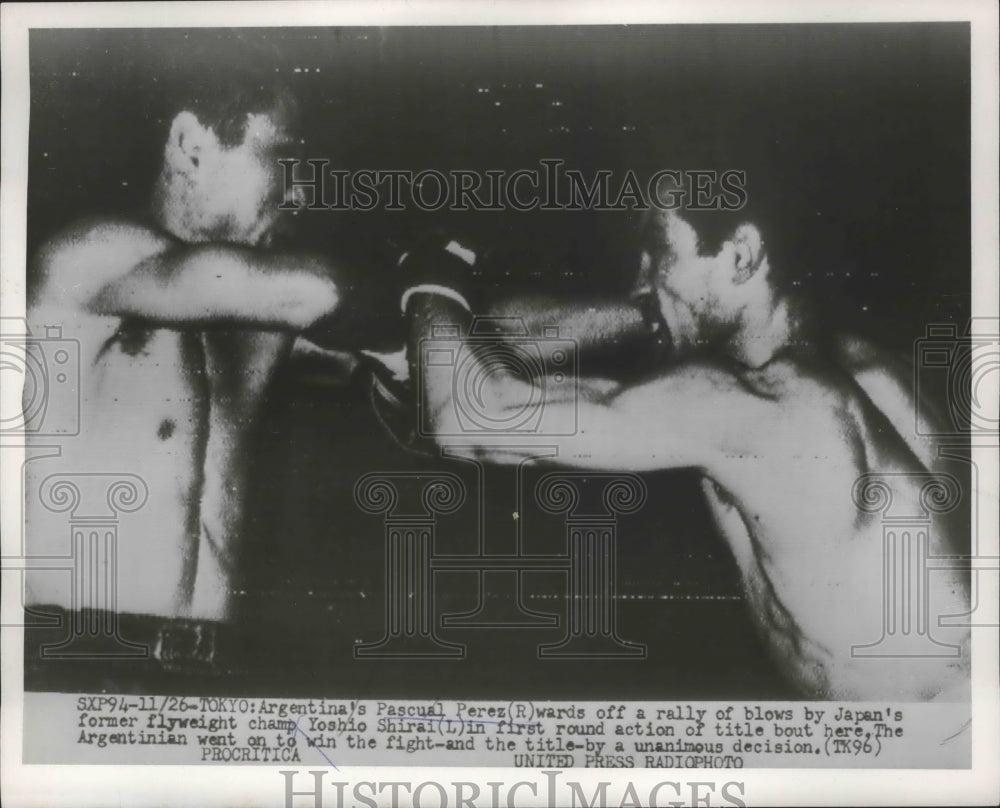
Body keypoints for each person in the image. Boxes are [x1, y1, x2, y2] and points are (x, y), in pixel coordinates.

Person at [395, 174, 971, 701]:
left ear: (741, 254)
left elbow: (469, 419)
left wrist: (430, 267)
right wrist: (421, 344)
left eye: (657, 253)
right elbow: (531, 374)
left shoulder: (762, 401)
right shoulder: (858, 371)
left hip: (919, 744)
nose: (639, 280)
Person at [24, 69, 341, 634]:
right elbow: (320, 291)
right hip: (78, 652)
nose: (301, 192)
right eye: (286, 159)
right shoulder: (89, 259)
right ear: (192, 145)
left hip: (213, 662)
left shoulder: (263, 319)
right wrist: (432, 273)